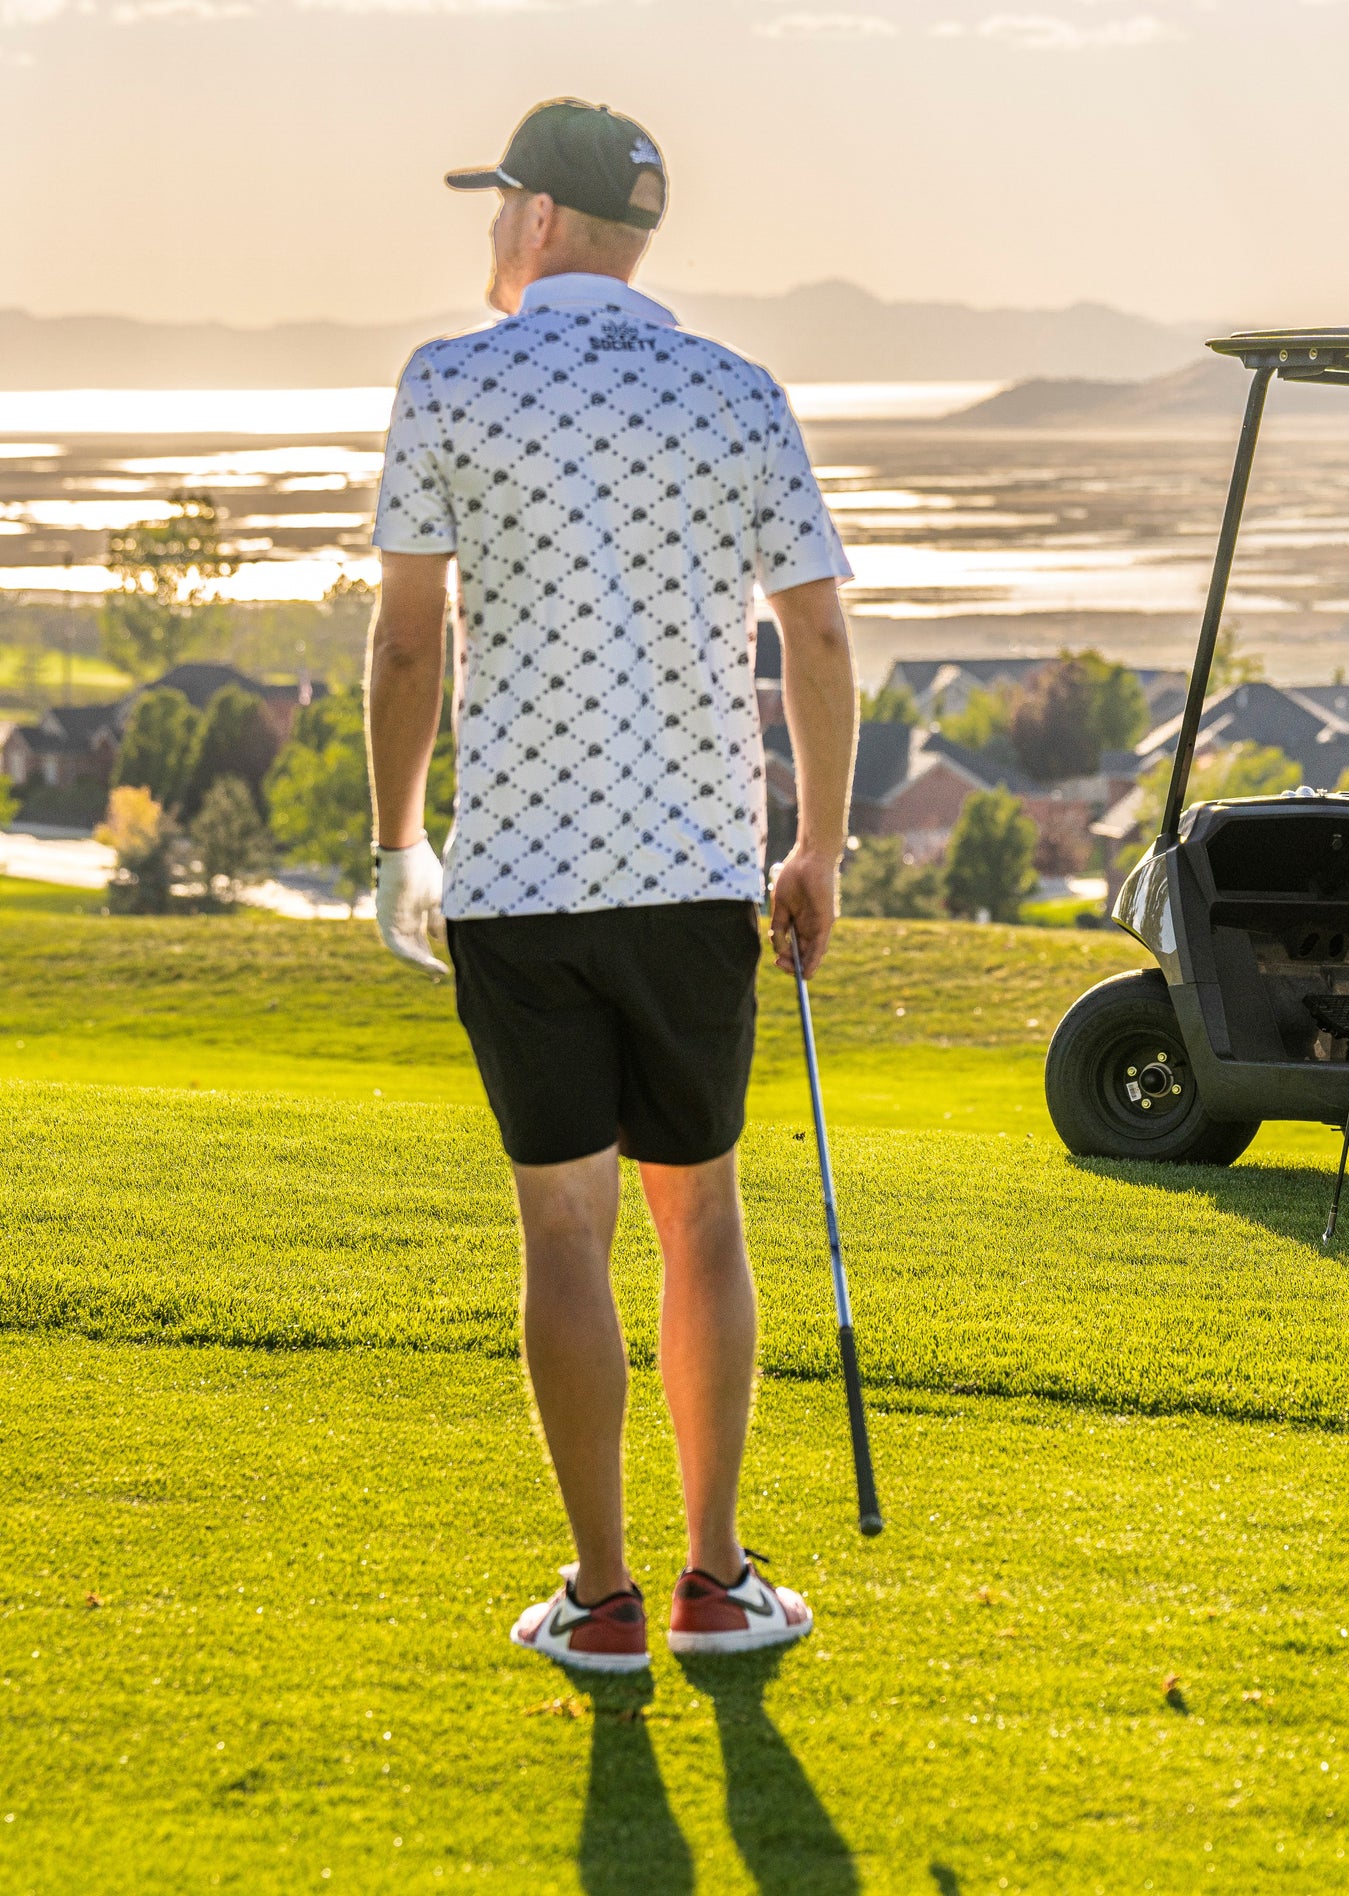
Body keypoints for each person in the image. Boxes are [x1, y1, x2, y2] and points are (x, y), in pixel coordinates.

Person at [365, 98, 858, 1673]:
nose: (490, 230)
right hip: (694, 880)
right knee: (697, 1221)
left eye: (499, 204)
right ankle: (716, 1584)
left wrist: (394, 846)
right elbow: (819, 639)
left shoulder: (450, 379)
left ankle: (603, 1601)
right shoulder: (737, 391)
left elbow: (403, 639)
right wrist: (817, 850)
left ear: (541, 217)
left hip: (521, 884)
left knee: (563, 1231)